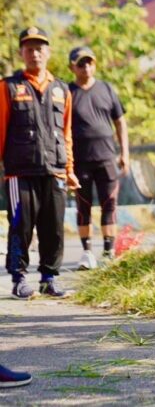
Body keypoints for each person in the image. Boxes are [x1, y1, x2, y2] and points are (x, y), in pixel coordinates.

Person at [1, 27, 80, 299]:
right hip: (20, 172)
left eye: (39, 48)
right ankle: (19, 279)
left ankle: (49, 278)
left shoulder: (62, 90)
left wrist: (69, 170)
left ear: (48, 52)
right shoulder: (8, 87)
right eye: (29, 48)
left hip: (55, 170)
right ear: (21, 53)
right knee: (21, 226)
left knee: (53, 227)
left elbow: (66, 134)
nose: (35, 53)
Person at [68, 46, 129, 270]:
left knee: (109, 204)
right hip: (80, 161)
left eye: (89, 62)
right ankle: (86, 252)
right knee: (83, 206)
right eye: (81, 63)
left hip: (106, 158)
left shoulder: (107, 89)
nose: (86, 67)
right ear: (72, 67)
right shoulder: (66, 92)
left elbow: (120, 122)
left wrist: (125, 153)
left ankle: (108, 251)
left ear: (94, 64)